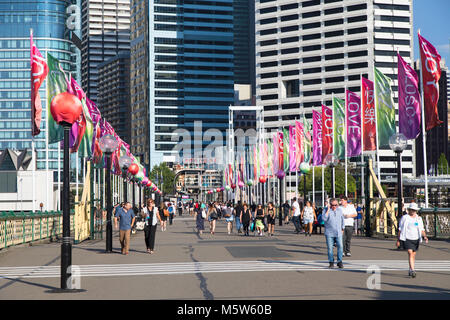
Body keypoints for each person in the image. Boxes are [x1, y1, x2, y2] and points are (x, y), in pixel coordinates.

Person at [397, 202, 428, 278]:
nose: (413, 211)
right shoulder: (405, 218)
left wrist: (425, 236)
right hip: (407, 238)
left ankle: (410, 268)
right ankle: (413, 270)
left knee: (413, 255)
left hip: (416, 238)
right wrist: (398, 240)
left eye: (414, 210)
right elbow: (400, 229)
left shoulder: (419, 218)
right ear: (409, 210)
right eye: (412, 210)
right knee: (410, 253)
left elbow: (421, 229)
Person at [323, 198, 345, 269]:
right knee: (330, 248)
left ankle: (339, 261)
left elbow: (342, 219)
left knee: (340, 246)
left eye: (336, 205)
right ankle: (331, 262)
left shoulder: (340, 210)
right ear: (330, 204)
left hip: (338, 232)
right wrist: (328, 209)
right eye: (333, 205)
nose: (334, 206)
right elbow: (324, 218)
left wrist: (343, 228)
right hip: (329, 232)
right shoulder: (326, 210)